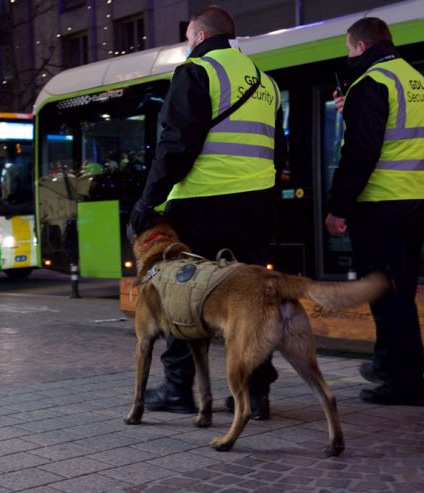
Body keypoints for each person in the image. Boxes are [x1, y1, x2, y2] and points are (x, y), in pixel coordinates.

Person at [128, 6, 287, 419]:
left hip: (201, 207)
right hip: (256, 209)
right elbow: (279, 151)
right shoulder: (266, 82)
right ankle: (257, 393)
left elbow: (176, 145)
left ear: (197, 36)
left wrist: (148, 203)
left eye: (187, 39)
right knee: (252, 302)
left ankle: (179, 389)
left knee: (182, 297)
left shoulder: (196, 72)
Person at [325, 17, 424, 406]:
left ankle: (405, 383)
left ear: (360, 46)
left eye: (348, 48)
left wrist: (338, 207)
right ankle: (391, 365)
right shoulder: (414, 79)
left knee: (388, 296)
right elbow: (393, 135)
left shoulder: (371, 83)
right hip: (415, 201)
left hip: (381, 205)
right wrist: (349, 110)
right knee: (401, 292)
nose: (348, 55)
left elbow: (361, 152)